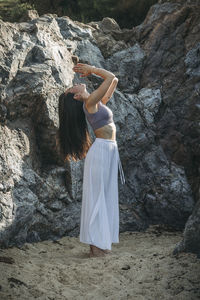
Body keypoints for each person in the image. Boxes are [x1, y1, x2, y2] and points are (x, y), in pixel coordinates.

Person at [58, 63, 125, 258]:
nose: (75, 84)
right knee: (97, 198)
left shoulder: (95, 101)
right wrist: (92, 69)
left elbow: (114, 80)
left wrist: (92, 72)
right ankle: (95, 248)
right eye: (72, 89)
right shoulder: (90, 103)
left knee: (104, 196)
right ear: (76, 97)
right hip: (102, 151)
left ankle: (100, 245)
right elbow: (110, 75)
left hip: (109, 150)